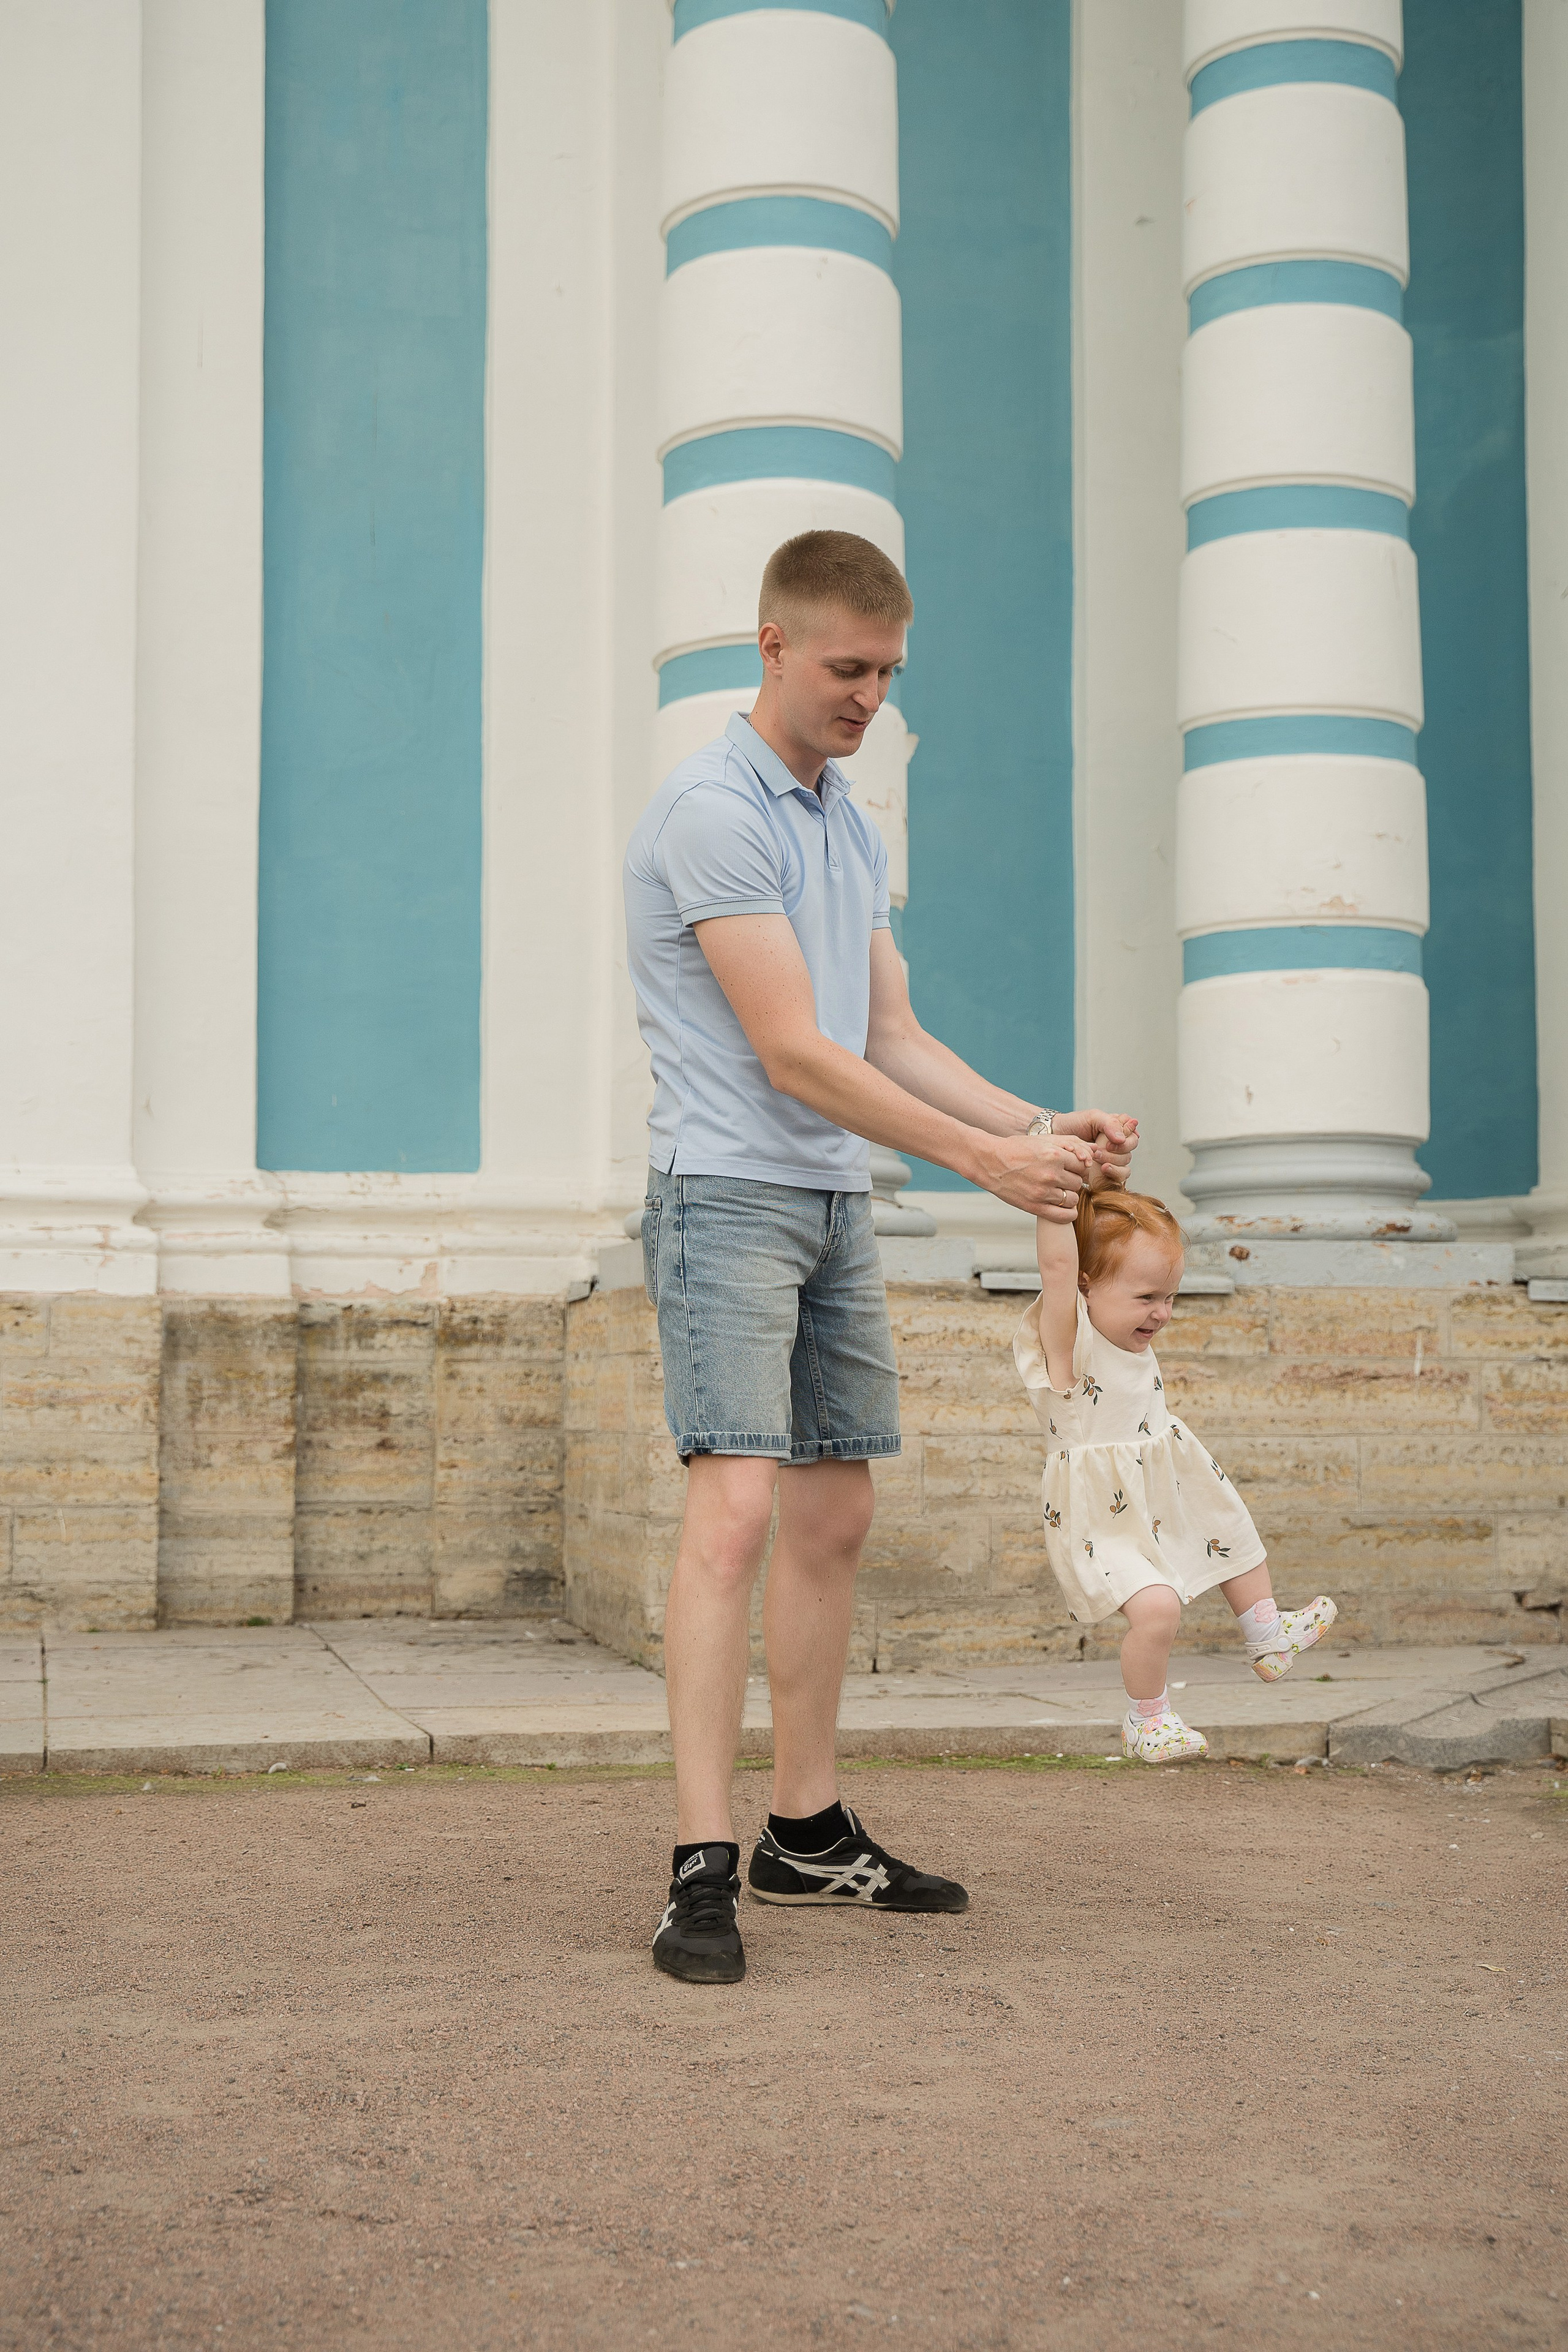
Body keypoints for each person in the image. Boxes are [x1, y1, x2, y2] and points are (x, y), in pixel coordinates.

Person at [622, 528, 1137, 1982]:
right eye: (848, 668)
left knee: (831, 1512)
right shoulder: (711, 811)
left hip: (832, 1197)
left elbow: (886, 1030)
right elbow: (792, 1050)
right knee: (730, 1512)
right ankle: (699, 1862)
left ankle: (803, 1829)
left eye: (887, 673)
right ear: (772, 647)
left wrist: (1043, 1122)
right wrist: (985, 1164)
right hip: (725, 1192)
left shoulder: (846, 818)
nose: (868, 696)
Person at [1014, 1178, 1338, 1763]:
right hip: (1102, 1512)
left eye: (1171, 1297)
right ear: (1087, 1284)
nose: (1162, 1313)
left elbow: (1104, 1231)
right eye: (1147, 1298)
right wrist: (1055, 1182)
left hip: (1165, 1477)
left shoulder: (1129, 1326)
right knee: (1158, 1608)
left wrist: (1102, 1174)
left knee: (1234, 1533)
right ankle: (1149, 1719)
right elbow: (1058, 1262)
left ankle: (1266, 1632)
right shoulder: (1069, 1342)